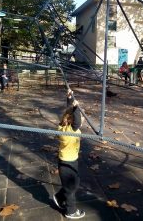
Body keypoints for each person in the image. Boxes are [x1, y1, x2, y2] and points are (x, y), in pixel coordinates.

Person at [53, 89, 85, 219]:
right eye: (81, 118)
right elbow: (76, 119)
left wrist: (70, 99)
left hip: (71, 160)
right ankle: (70, 211)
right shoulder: (71, 130)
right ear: (73, 121)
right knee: (71, 189)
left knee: (74, 183)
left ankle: (59, 197)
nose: (82, 120)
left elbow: (68, 112)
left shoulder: (64, 126)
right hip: (67, 163)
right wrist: (77, 107)